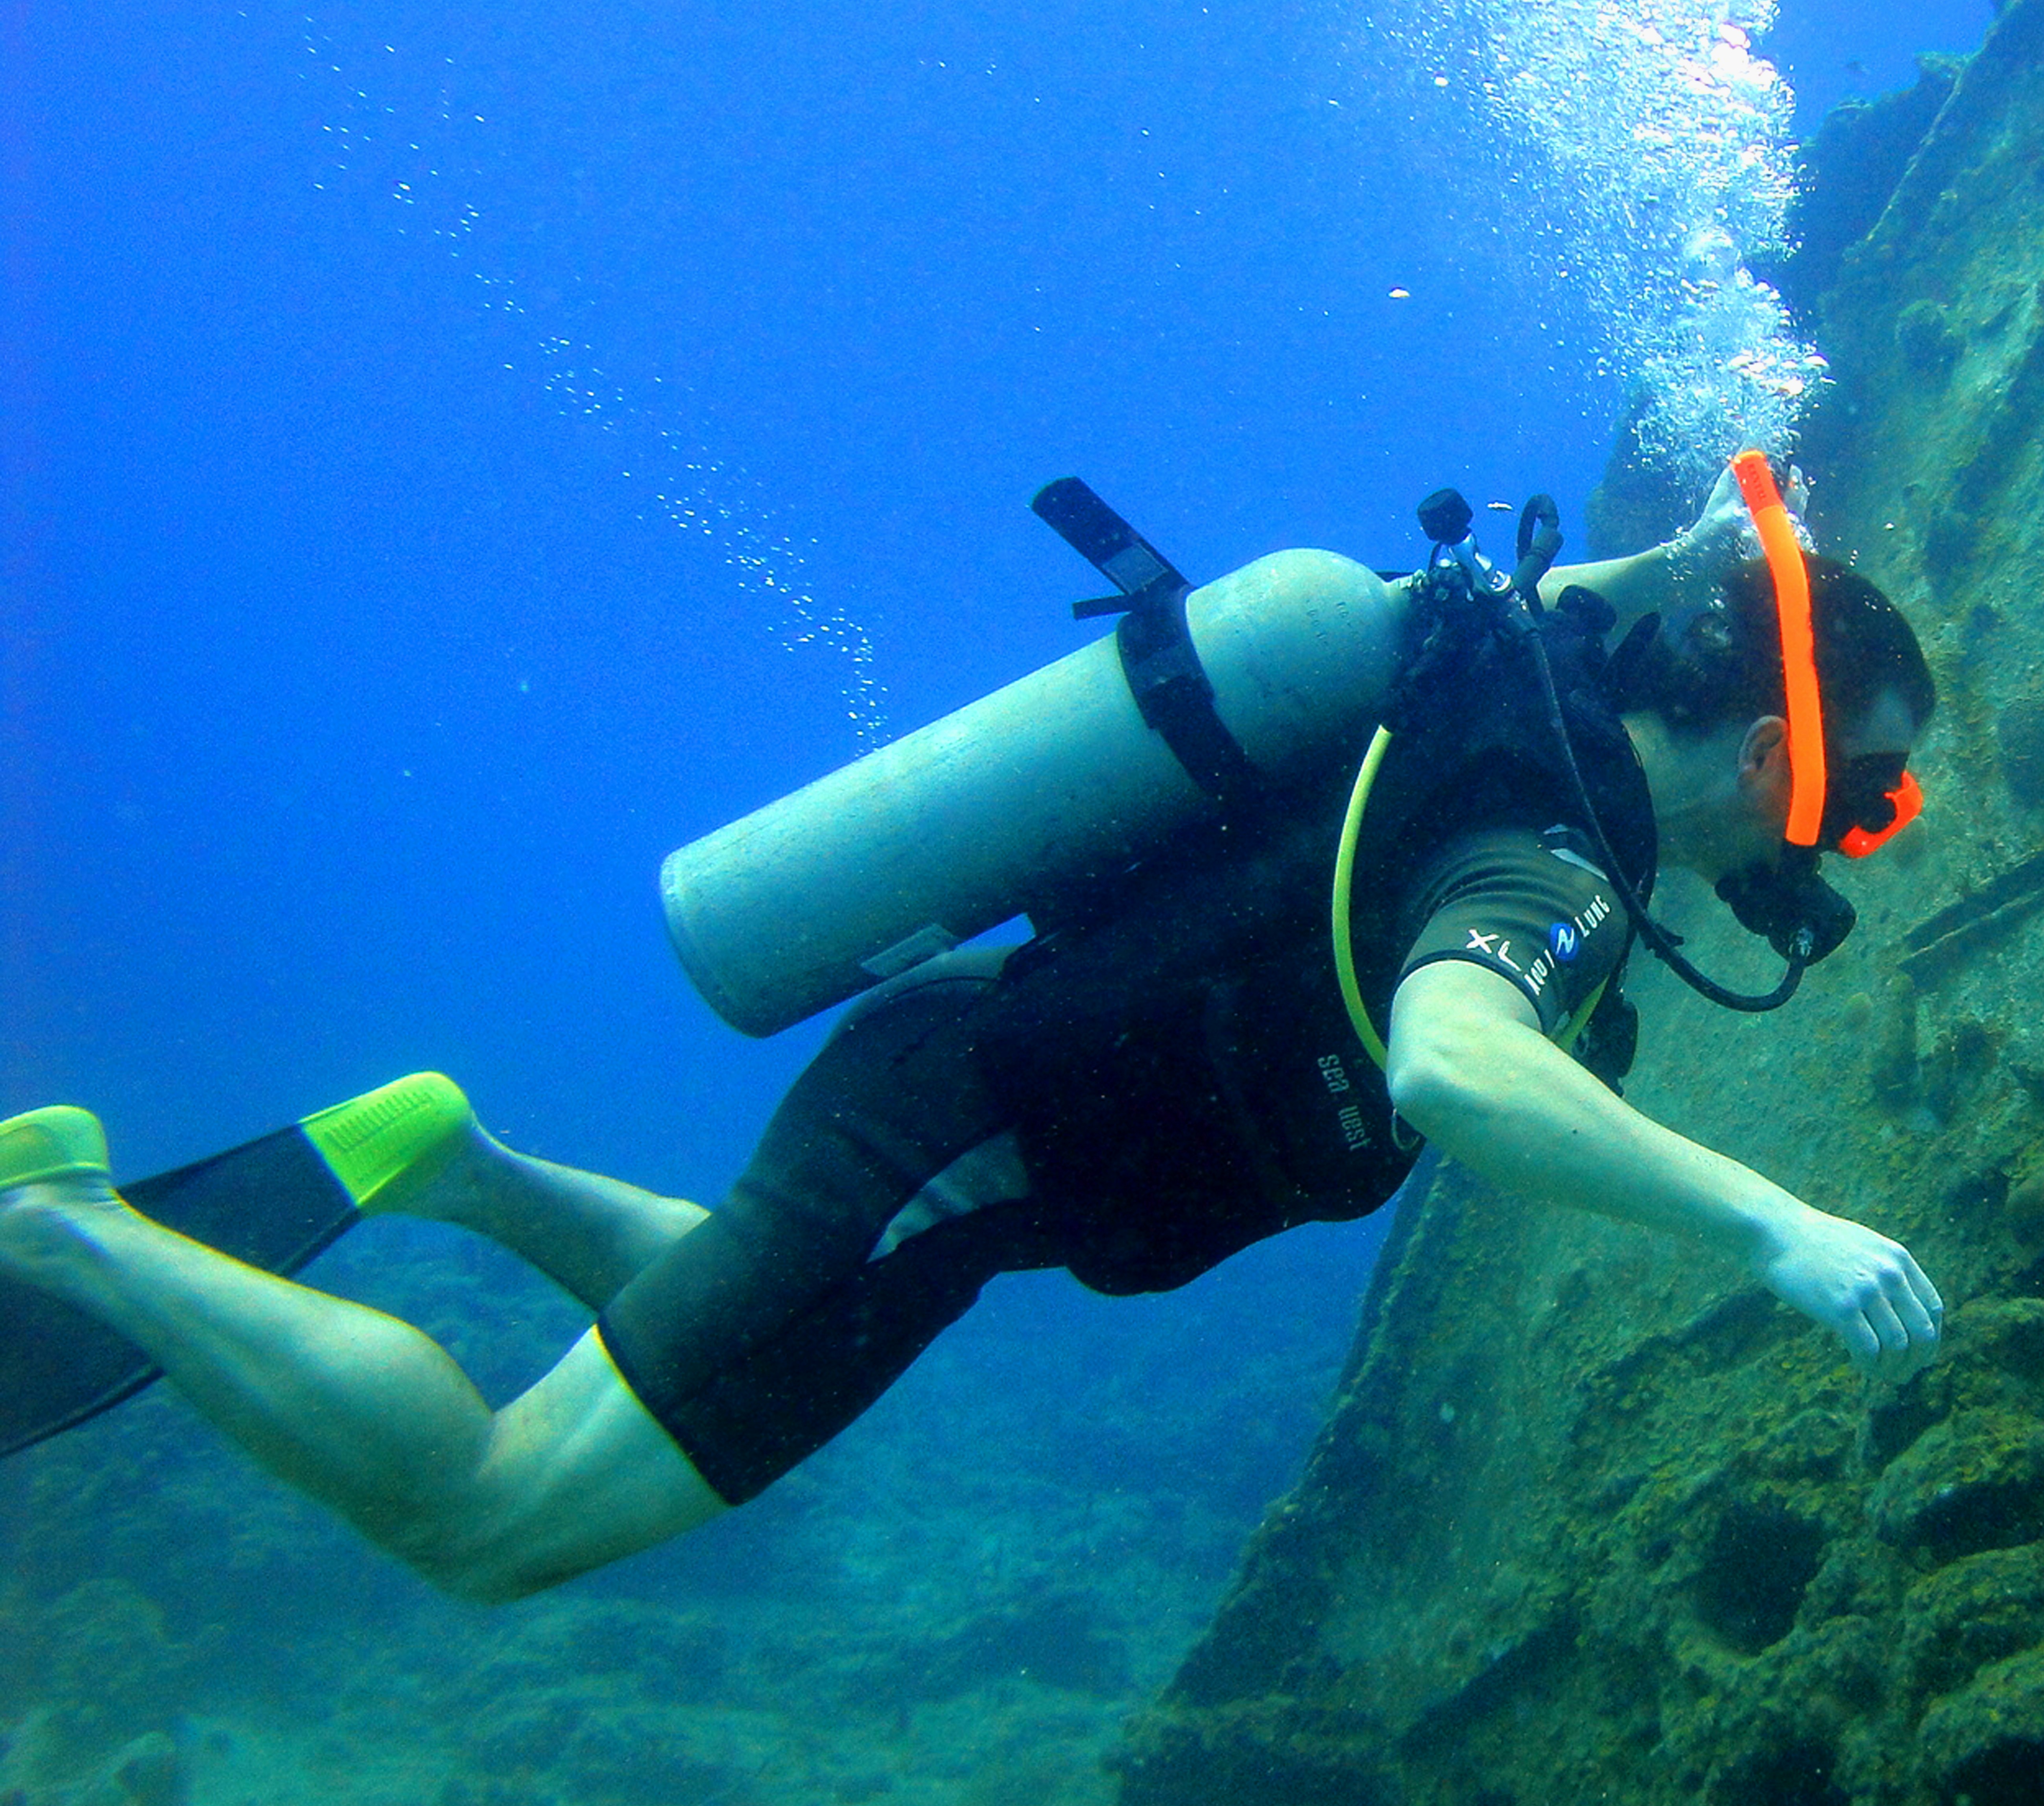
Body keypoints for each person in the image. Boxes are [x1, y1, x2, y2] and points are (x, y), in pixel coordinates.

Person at [0, 473, 1945, 1604]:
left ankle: (459, 1165)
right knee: (492, 1514)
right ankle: (73, 1220)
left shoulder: (1524, 670)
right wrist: (1776, 1226)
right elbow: (1451, 1059)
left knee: (757, 1289)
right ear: (1772, 750)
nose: (1841, 854)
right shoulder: (1551, 844)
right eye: (1859, 805)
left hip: (963, 1111)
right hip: (966, 1128)